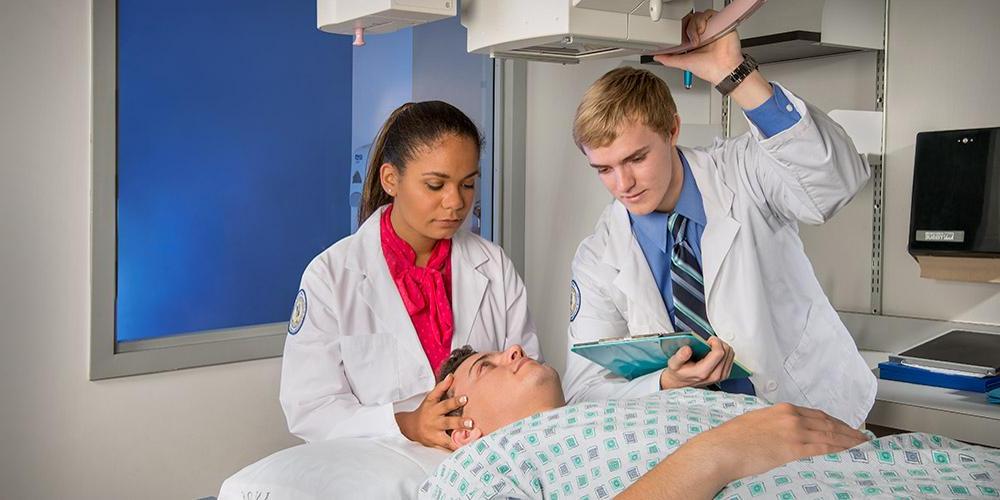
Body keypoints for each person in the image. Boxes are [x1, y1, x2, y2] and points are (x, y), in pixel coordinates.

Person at [564, 10, 875, 427]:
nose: (623, 184)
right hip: (700, 440)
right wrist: (665, 383)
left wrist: (735, 72)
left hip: (810, 412)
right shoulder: (600, 256)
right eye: (603, 169)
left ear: (672, 129)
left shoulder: (741, 172)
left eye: (637, 158)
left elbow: (835, 183)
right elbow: (584, 392)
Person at [279, 101, 541, 450]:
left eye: (467, 185)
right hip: (380, 469)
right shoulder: (330, 275)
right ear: (391, 179)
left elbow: (528, 375)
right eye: (436, 185)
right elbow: (309, 408)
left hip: (482, 466)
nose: (455, 203)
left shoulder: (492, 265)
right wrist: (405, 424)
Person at [420, 346, 1000, 500]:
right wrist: (720, 451)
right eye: (486, 365)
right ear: (461, 426)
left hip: (902, 465)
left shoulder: (607, 411)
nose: (513, 350)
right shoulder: (474, 471)